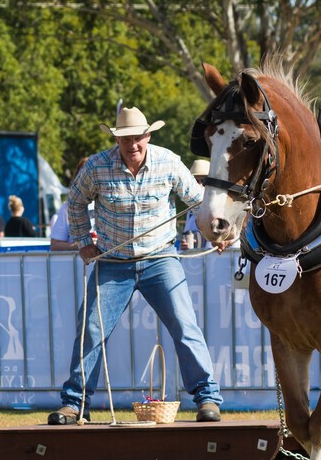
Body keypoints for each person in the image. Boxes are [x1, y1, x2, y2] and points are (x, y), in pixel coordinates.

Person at [48, 106, 223, 425]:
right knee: (90, 328)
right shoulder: (97, 166)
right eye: (126, 138)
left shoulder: (168, 161)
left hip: (160, 258)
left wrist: (216, 232)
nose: (133, 144)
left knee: (185, 325)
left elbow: (198, 201)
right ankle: (75, 404)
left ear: (148, 135)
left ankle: (207, 399)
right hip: (112, 261)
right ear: (117, 139)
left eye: (138, 137)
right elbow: (75, 201)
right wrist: (83, 240)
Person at [50, 157, 93, 251]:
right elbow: (55, 245)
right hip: (77, 264)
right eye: (82, 176)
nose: (87, 181)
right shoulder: (67, 207)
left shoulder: (111, 204)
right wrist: (82, 246)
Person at [179, 160, 210, 250]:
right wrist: (184, 246)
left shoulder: (219, 208)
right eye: (196, 181)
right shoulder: (190, 211)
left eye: (204, 181)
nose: (200, 185)